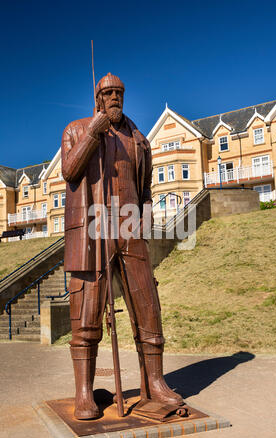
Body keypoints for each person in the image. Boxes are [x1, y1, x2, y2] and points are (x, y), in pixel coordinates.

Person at [61, 73, 183, 419]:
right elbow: (70, 172)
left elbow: (145, 189)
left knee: (147, 304)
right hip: (92, 230)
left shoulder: (138, 139)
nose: (115, 97)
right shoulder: (76, 129)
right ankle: (84, 392)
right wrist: (93, 132)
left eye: (119, 93)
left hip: (130, 229)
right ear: (97, 97)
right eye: (108, 93)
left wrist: (145, 218)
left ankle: (155, 382)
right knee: (87, 310)